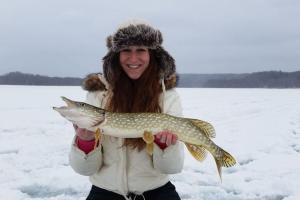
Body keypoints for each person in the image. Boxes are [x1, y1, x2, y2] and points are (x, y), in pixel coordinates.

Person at [69, 20, 184, 200]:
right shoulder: (99, 95)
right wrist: (85, 141)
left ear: (152, 54)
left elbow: (172, 168)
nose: (133, 58)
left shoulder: (167, 97)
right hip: (104, 193)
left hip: (156, 193)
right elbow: (85, 170)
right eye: (126, 50)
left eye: (141, 50)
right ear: (116, 55)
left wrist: (165, 145)